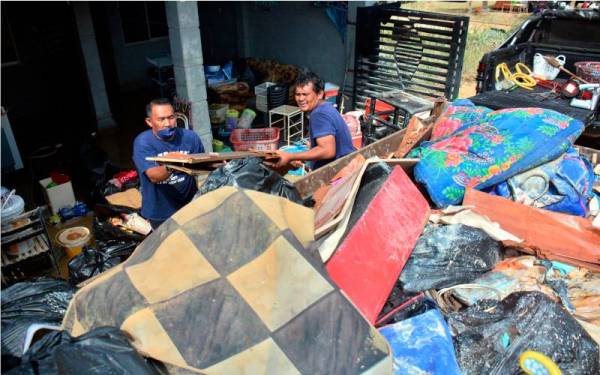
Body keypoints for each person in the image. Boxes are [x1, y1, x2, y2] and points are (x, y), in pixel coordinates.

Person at [133, 98, 204, 229]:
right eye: (161, 119)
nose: (167, 123)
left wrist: (218, 164)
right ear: (149, 122)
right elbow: (153, 176)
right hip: (160, 211)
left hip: (190, 205)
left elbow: (201, 167)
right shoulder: (143, 142)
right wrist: (172, 163)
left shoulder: (190, 137)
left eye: (171, 118)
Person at [275, 71, 355, 170]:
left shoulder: (319, 114)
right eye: (297, 94)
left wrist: (291, 156)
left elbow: (327, 150)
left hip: (338, 174)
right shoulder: (326, 107)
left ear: (320, 94)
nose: (300, 99)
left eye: (305, 94)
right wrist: (304, 156)